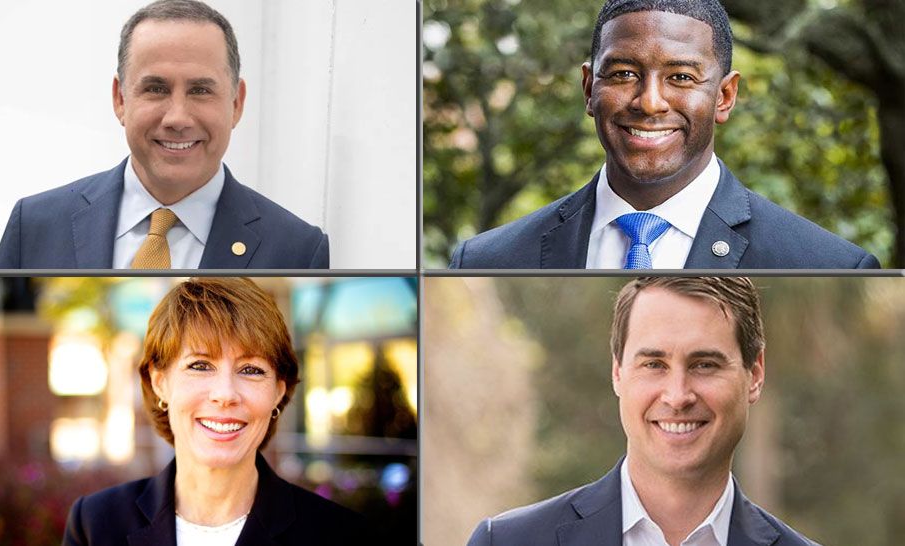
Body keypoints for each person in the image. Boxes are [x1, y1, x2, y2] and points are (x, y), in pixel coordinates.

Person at [449, 0, 879, 269]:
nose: (649, 102)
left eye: (681, 76)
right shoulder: (487, 260)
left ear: (725, 96)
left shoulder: (823, 264)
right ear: (588, 88)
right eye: (623, 73)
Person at [468, 277, 821, 545]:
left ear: (755, 374)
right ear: (617, 372)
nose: (677, 396)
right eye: (654, 364)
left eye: (705, 365)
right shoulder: (505, 541)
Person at [0, 0, 328, 269]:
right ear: (120, 99)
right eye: (156, 88)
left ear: (237, 102)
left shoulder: (297, 251)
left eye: (200, 90)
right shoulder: (35, 226)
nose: (177, 118)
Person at [63, 278, 362, 544]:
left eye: (251, 370)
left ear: (278, 392)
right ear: (160, 382)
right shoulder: (94, 524)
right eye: (200, 365)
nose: (225, 395)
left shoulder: (339, 533)